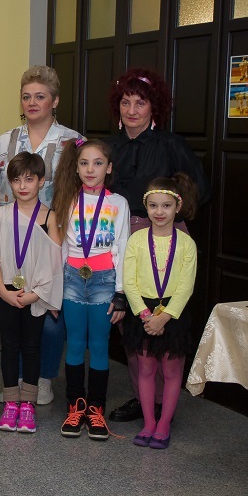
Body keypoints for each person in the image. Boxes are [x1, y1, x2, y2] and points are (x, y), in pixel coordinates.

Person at [104, 67, 210, 423]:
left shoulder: (170, 144)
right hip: (121, 239)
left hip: (164, 237)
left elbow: (201, 189)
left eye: (140, 103)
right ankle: (143, 399)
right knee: (131, 324)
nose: (132, 110)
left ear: (154, 107)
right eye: (125, 102)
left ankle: (166, 404)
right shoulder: (110, 147)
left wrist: (166, 215)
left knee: (167, 321)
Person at [0, 65, 83, 406]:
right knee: (15, 308)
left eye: (40, 96)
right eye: (26, 96)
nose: (32, 102)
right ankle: (17, 379)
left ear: (54, 101)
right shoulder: (4, 141)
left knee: (49, 313)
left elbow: (80, 191)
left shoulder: (72, 143)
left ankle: (43, 378)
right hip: (12, 239)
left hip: (51, 235)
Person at [52, 139, 130, 441]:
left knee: (98, 345)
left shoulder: (118, 203)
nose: (90, 169)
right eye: (84, 163)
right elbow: (61, 245)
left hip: (104, 281)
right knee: (74, 344)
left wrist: (120, 293)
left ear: (108, 168)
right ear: (76, 167)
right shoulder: (68, 199)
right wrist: (56, 287)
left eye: (98, 163)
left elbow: (122, 246)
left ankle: (96, 407)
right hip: (72, 278)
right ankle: (76, 405)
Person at [0, 153, 63, 433]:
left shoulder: (50, 217)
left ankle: (28, 404)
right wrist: (1, 290)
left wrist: (37, 294)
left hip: (34, 293)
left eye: (29, 179)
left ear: (41, 181)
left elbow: (55, 261)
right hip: (6, 291)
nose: (22, 186)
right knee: (9, 346)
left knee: (31, 347)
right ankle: (10, 401)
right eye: (16, 180)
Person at [123, 175, 198, 449]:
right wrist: (146, 316)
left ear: (177, 207)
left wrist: (164, 317)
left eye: (166, 206)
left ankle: (164, 424)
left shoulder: (186, 244)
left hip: (173, 314)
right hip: (142, 313)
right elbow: (129, 282)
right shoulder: (136, 240)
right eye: (153, 205)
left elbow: (186, 286)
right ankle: (148, 423)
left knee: (171, 370)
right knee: (145, 368)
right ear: (146, 206)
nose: (159, 212)